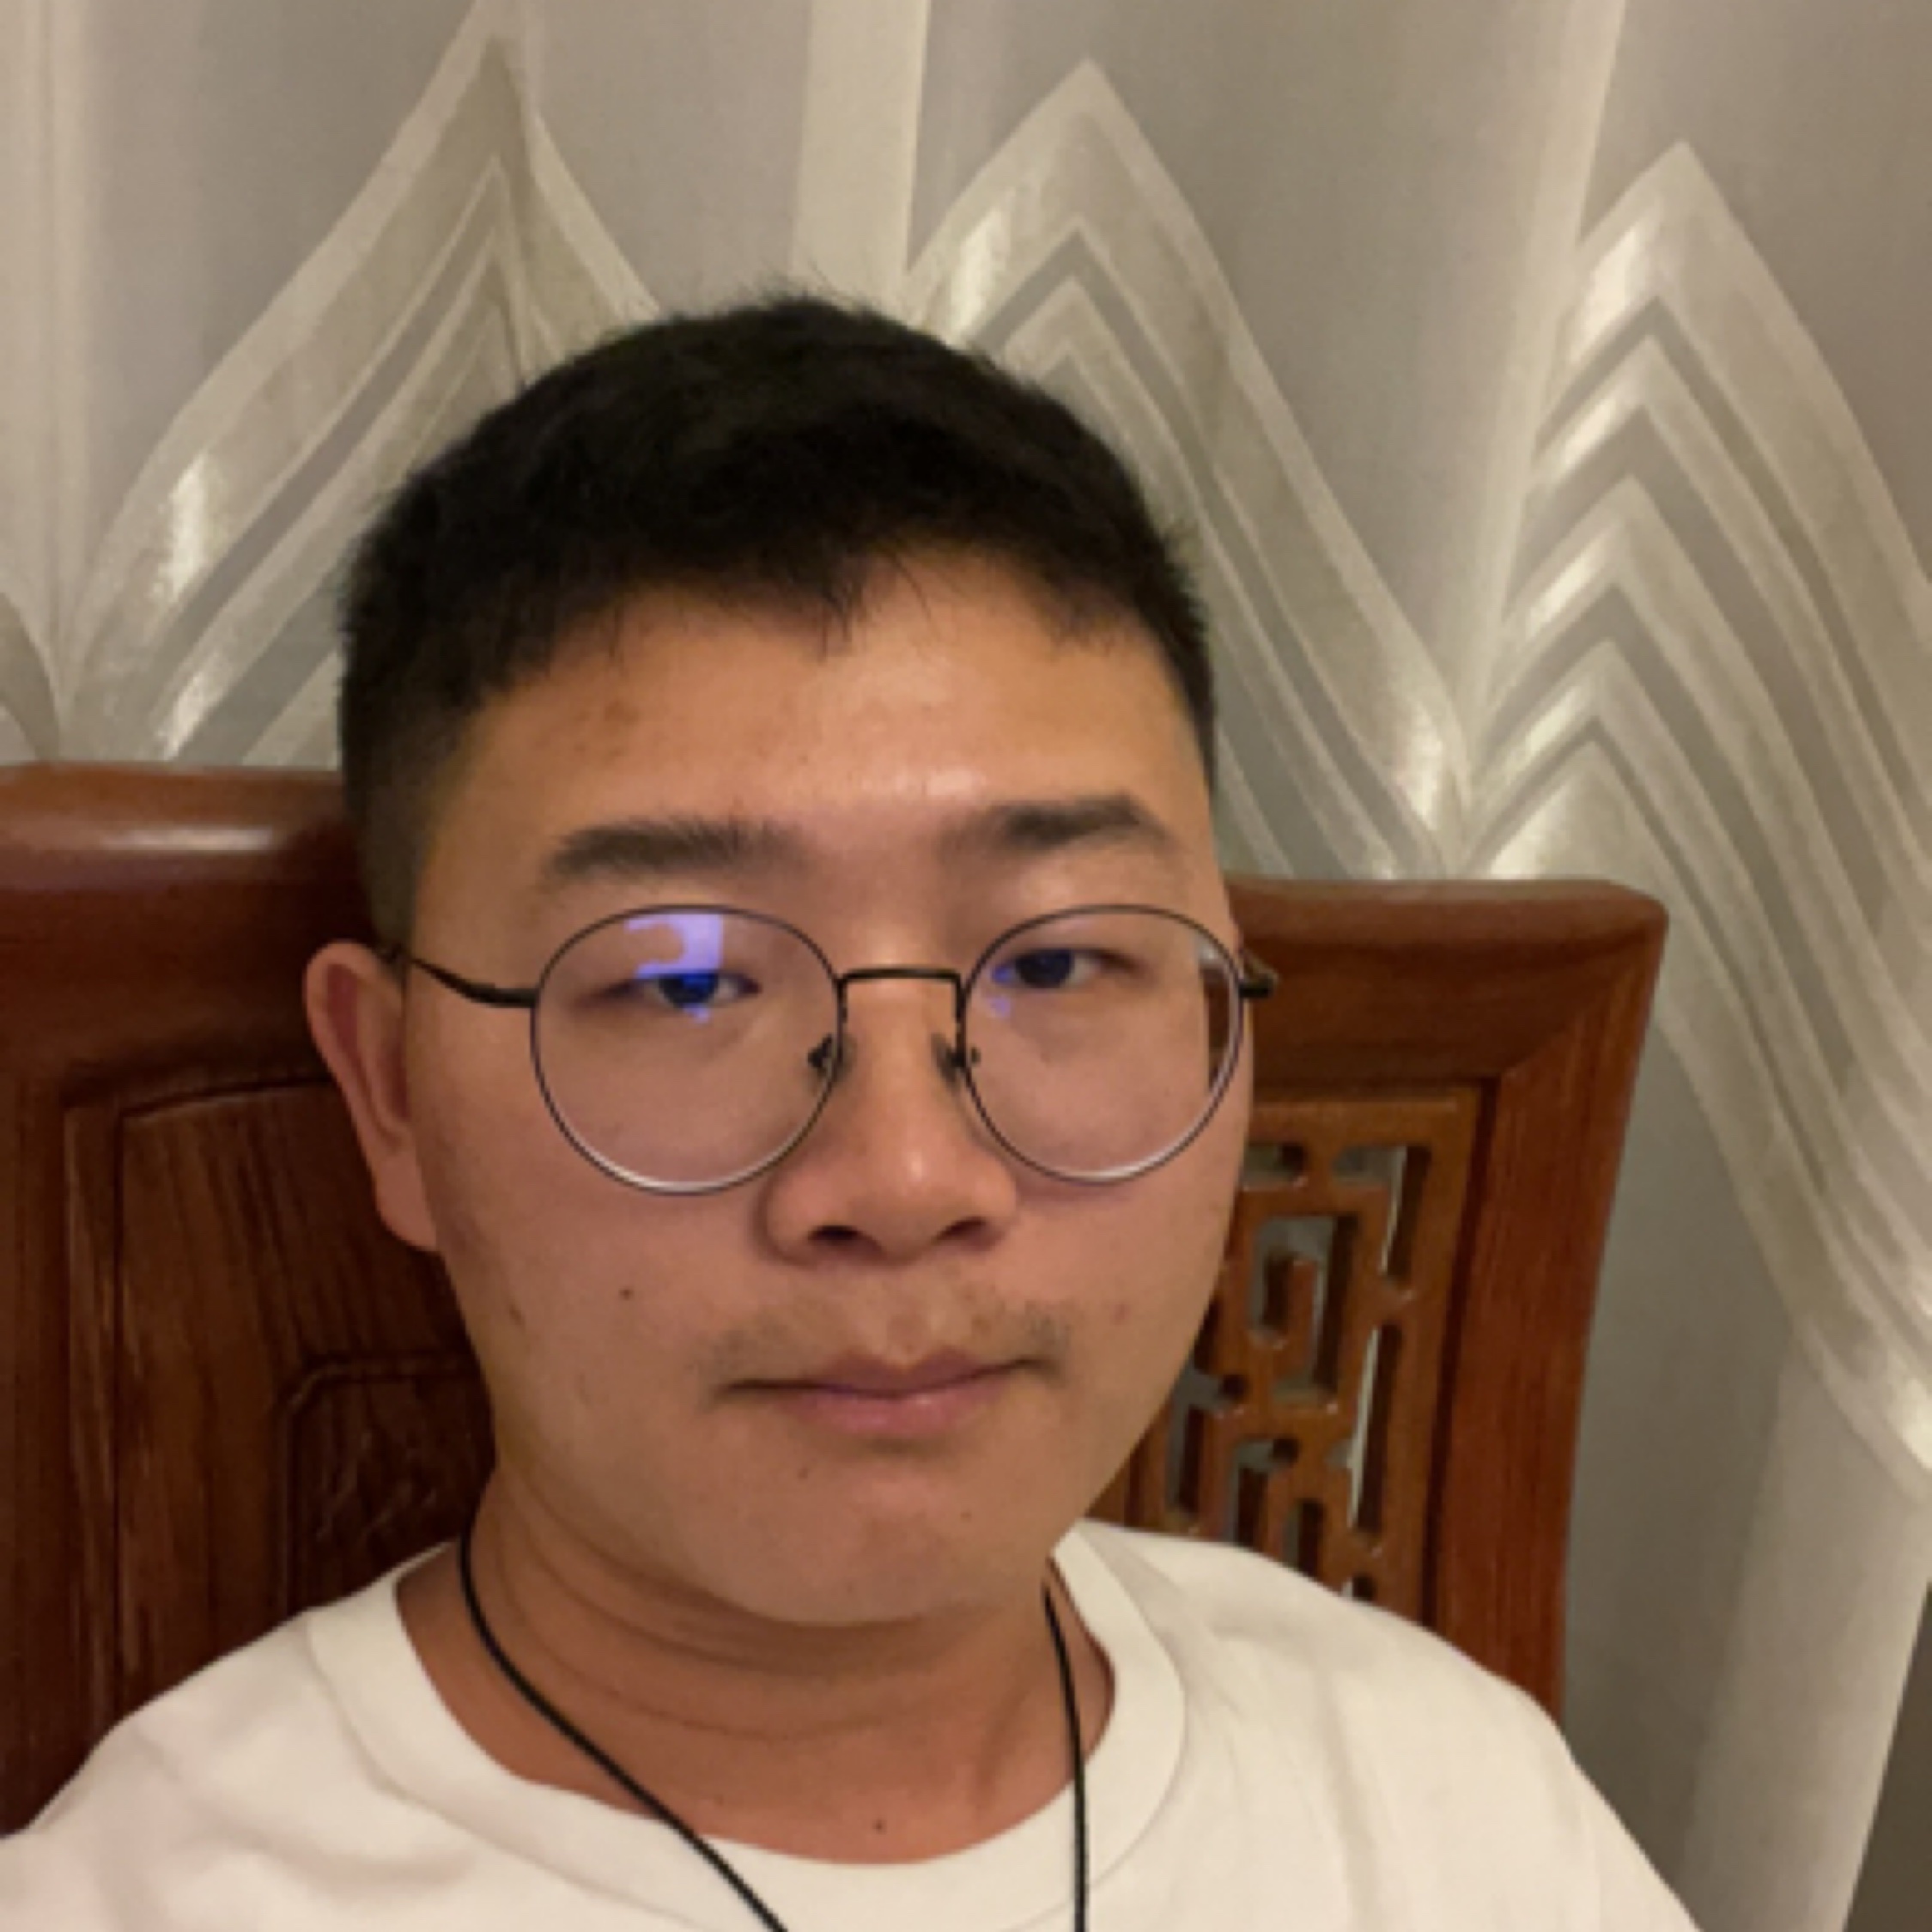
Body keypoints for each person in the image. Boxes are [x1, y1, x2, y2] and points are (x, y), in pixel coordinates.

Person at [0, 295, 1699, 1929]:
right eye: (682, 981)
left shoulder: (1450, 1803)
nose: (902, 1177)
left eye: (1060, 959)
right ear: (390, 1094)